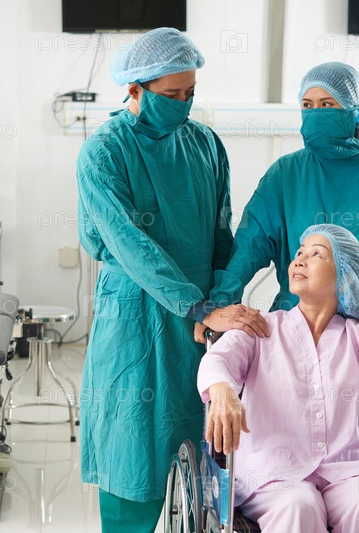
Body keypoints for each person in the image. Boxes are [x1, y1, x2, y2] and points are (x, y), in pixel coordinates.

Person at [75, 27, 267, 532]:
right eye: (171, 94)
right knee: (133, 450)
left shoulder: (204, 144)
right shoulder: (104, 152)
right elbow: (129, 245)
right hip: (137, 317)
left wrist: (223, 300)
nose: (183, 104)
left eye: (190, 93)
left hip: (202, 315)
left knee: (205, 453)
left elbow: (220, 234)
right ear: (135, 89)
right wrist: (198, 307)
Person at [202, 61, 359, 440]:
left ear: (353, 110)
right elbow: (249, 247)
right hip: (298, 328)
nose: (315, 113)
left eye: (327, 105)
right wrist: (219, 305)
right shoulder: (285, 175)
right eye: (307, 105)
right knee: (291, 440)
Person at [197, 224, 359, 533]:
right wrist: (222, 391)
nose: (299, 260)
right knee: (297, 506)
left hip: (353, 469)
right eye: (299, 252)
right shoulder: (261, 328)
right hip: (275, 472)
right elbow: (218, 360)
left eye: (316, 254)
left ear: (345, 278)